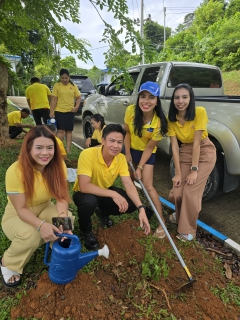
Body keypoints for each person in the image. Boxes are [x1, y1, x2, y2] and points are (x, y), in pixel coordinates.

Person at [0, 126, 72, 288]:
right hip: (18, 212)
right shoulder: (15, 171)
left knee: (66, 219)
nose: (45, 153)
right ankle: (8, 263)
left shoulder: (58, 165)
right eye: (39, 148)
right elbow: (21, 209)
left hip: (45, 206)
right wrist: (40, 225)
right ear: (28, 148)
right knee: (31, 235)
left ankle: (56, 246)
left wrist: (64, 220)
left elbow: (61, 197)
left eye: (49, 148)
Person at [72, 124, 150, 250]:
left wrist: (141, 208)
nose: (116, 146)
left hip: (104, 192)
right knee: (89, 202)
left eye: (119, 142)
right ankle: (86, 230)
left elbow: (129, 184)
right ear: (103, 140)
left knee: (131, 203)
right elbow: (84, 186)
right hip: (84, 193)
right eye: (112, 141)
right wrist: (114, 194)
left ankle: (102, 212)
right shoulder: (87, 154)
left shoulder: (121, 158)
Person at [168, 83, 216, 242]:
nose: (180, 101)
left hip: (204, 152)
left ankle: (188, 230)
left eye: (184, 97)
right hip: (186, 152)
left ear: (191, 98)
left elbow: (197, 144)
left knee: (190, 192)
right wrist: (178, 173)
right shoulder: (172, 119)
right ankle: (180, 214)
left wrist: (194, 170)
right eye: (176, 97)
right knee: (176, 191)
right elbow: (175, 147)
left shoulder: (199, 112)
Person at [124, 81, 168, 239]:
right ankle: (136, 207)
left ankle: (161, 221)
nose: (146, 101)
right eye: (143, 96)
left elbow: (150, 148)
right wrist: (127, 153)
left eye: (151, 97)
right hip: (131, 150)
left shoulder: (160, 122)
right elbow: (127, 133)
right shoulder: (131, 111)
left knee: (148, 186)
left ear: (157, 101)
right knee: (129, 180)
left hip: (146, 154)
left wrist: (140, 167)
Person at [50, 68, 81, 153]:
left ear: (69, 77)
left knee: (69, 131)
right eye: (62, 78)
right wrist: (51, 111)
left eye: (66, 78)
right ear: (60, 77)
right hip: (59, 111)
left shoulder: (73, 86)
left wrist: (76, 107)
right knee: (60, 130)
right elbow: (54, 99)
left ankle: (68, 149)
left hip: (70, 111)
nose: (64, 80)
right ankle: (60, 148)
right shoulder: (57, 86)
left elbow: (78, 97)